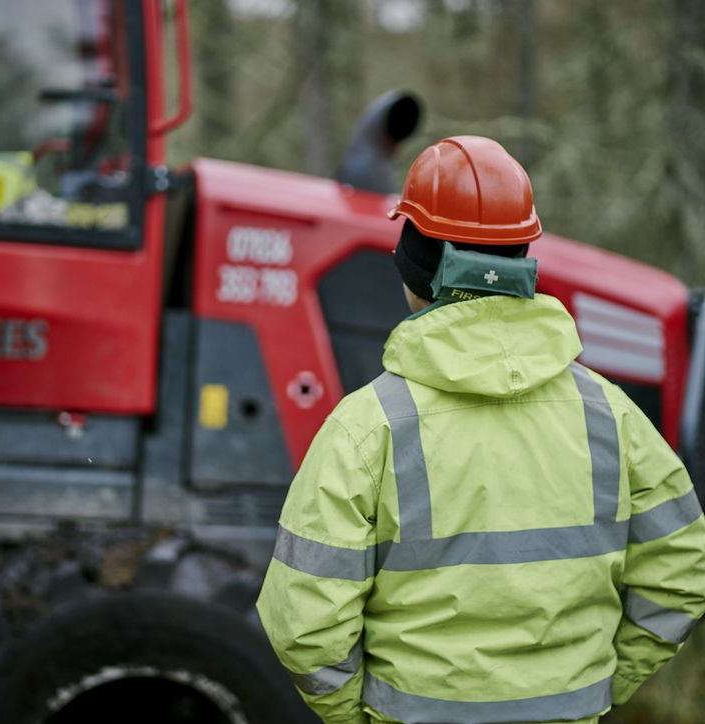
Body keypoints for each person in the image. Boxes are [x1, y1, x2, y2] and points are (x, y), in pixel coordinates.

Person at [256, 135, 705, 724]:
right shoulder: (612, 415)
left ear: (415, 269)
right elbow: (681, 571)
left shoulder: (367, 427)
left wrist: (352, 714)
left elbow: (304, 622)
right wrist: (603, 686)